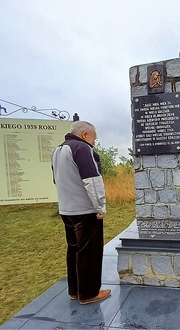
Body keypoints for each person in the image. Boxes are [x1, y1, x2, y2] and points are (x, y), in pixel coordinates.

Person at [51, 120, 111, 304]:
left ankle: (75, 290)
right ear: (85, 134)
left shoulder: (57, 151)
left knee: (74, 250)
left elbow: (55, 180)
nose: (94, 142)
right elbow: (92, 180)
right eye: (94, 138)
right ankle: (89, 293)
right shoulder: (82, 148)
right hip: (85, 210)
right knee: (89, 252)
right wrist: (100, 207)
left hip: (66, 209)